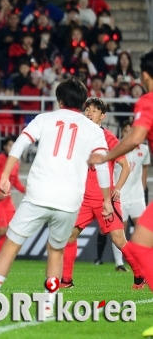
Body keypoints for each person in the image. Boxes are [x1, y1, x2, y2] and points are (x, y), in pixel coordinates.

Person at [0, 78, 114, 317]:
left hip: (38, 195)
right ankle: (49, 305)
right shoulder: (94, 130)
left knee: (11, 245)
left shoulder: (44, 119)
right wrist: (106, 200)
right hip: (70, 200)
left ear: (59, 99)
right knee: (56, 252)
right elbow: (102, 166)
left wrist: (4, 174)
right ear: (82, 102)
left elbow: (20, 144)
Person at [88, 51, 153, 337]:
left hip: (122, 196)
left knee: (136, 243)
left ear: (145, 76)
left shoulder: (147, 101)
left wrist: (106, 157)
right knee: (137, 244)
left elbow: (137, 138)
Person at [61, 98, 144, 289]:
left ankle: (140, 274)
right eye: (87, 110)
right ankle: (67, 281)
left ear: (103, 116)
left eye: (95, 110)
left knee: (118, 239)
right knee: (70, 236)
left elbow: (125, 166)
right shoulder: (79, 138)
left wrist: (116, 189)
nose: (89, 113)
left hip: (104, 199)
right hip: (84, 199)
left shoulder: (108, 138)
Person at [111, 119, 150, 271]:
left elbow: (145, 169)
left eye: (130, 131)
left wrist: (143, 188)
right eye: (125, 131)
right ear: (121, 133)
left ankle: (144, 260)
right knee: (120, 231)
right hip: (119, 197)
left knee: (144, 230)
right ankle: (119, 263)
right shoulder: (115, 148)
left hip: (137, 197)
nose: (128, 134)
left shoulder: (144, 150)